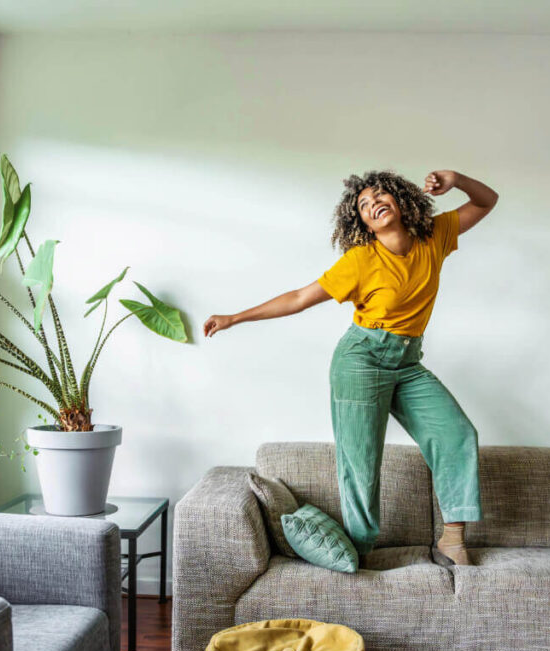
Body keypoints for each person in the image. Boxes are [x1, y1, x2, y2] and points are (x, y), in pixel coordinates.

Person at [203, 168, 498, 566]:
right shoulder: (361, 260)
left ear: (400, 199)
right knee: (361, 460)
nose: (373, 204)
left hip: (407, 362)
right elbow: (299, 298)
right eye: (363, 205)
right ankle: (359, 553)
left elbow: (486, 201)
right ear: (361, 223)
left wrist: (456, 178)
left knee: (455, 433)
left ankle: (452, 538)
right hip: (362, 360)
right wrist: (234, 318)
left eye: (380, 196)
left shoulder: (435, 235)